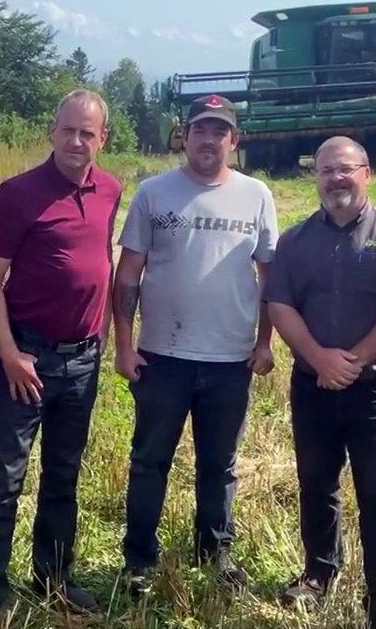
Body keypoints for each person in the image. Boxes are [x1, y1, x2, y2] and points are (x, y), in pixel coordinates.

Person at [0, 89, 123, 629]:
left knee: (64, 473)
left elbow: (100, 259)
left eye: (88, 133)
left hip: (82, 360)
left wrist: (99, 336)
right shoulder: (18, 193)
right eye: (69, 130)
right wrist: (7, 354)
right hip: (26, 359)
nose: (77, 141)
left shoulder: (110, 189)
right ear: (51, 132)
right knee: (4, 480)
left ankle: (52, 576)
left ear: (103, 138)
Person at [112, 94, 278, 597]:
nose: (209, 140)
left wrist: (264, 341)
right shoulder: (153, 193)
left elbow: (270, 276)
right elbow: (127, 275)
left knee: (219, 463)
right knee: (149, 460)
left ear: (234, 139)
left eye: (219, 131)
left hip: (230, 357)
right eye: (199, 130)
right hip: (162, 355)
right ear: (184, 136)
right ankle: (138, 557)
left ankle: (215, 549)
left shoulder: (256, 196)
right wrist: (124, 344)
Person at [264, 135, 376, 629]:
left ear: (366, 172)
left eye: (345, 169)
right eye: (326, 170)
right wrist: (317, 359)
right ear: (315, 178)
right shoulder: (294, 240)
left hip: (374, 388)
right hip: (313, 386)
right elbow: (280, 305)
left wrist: (354, 359)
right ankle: (318, 573)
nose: (335, 179)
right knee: (315, 483)